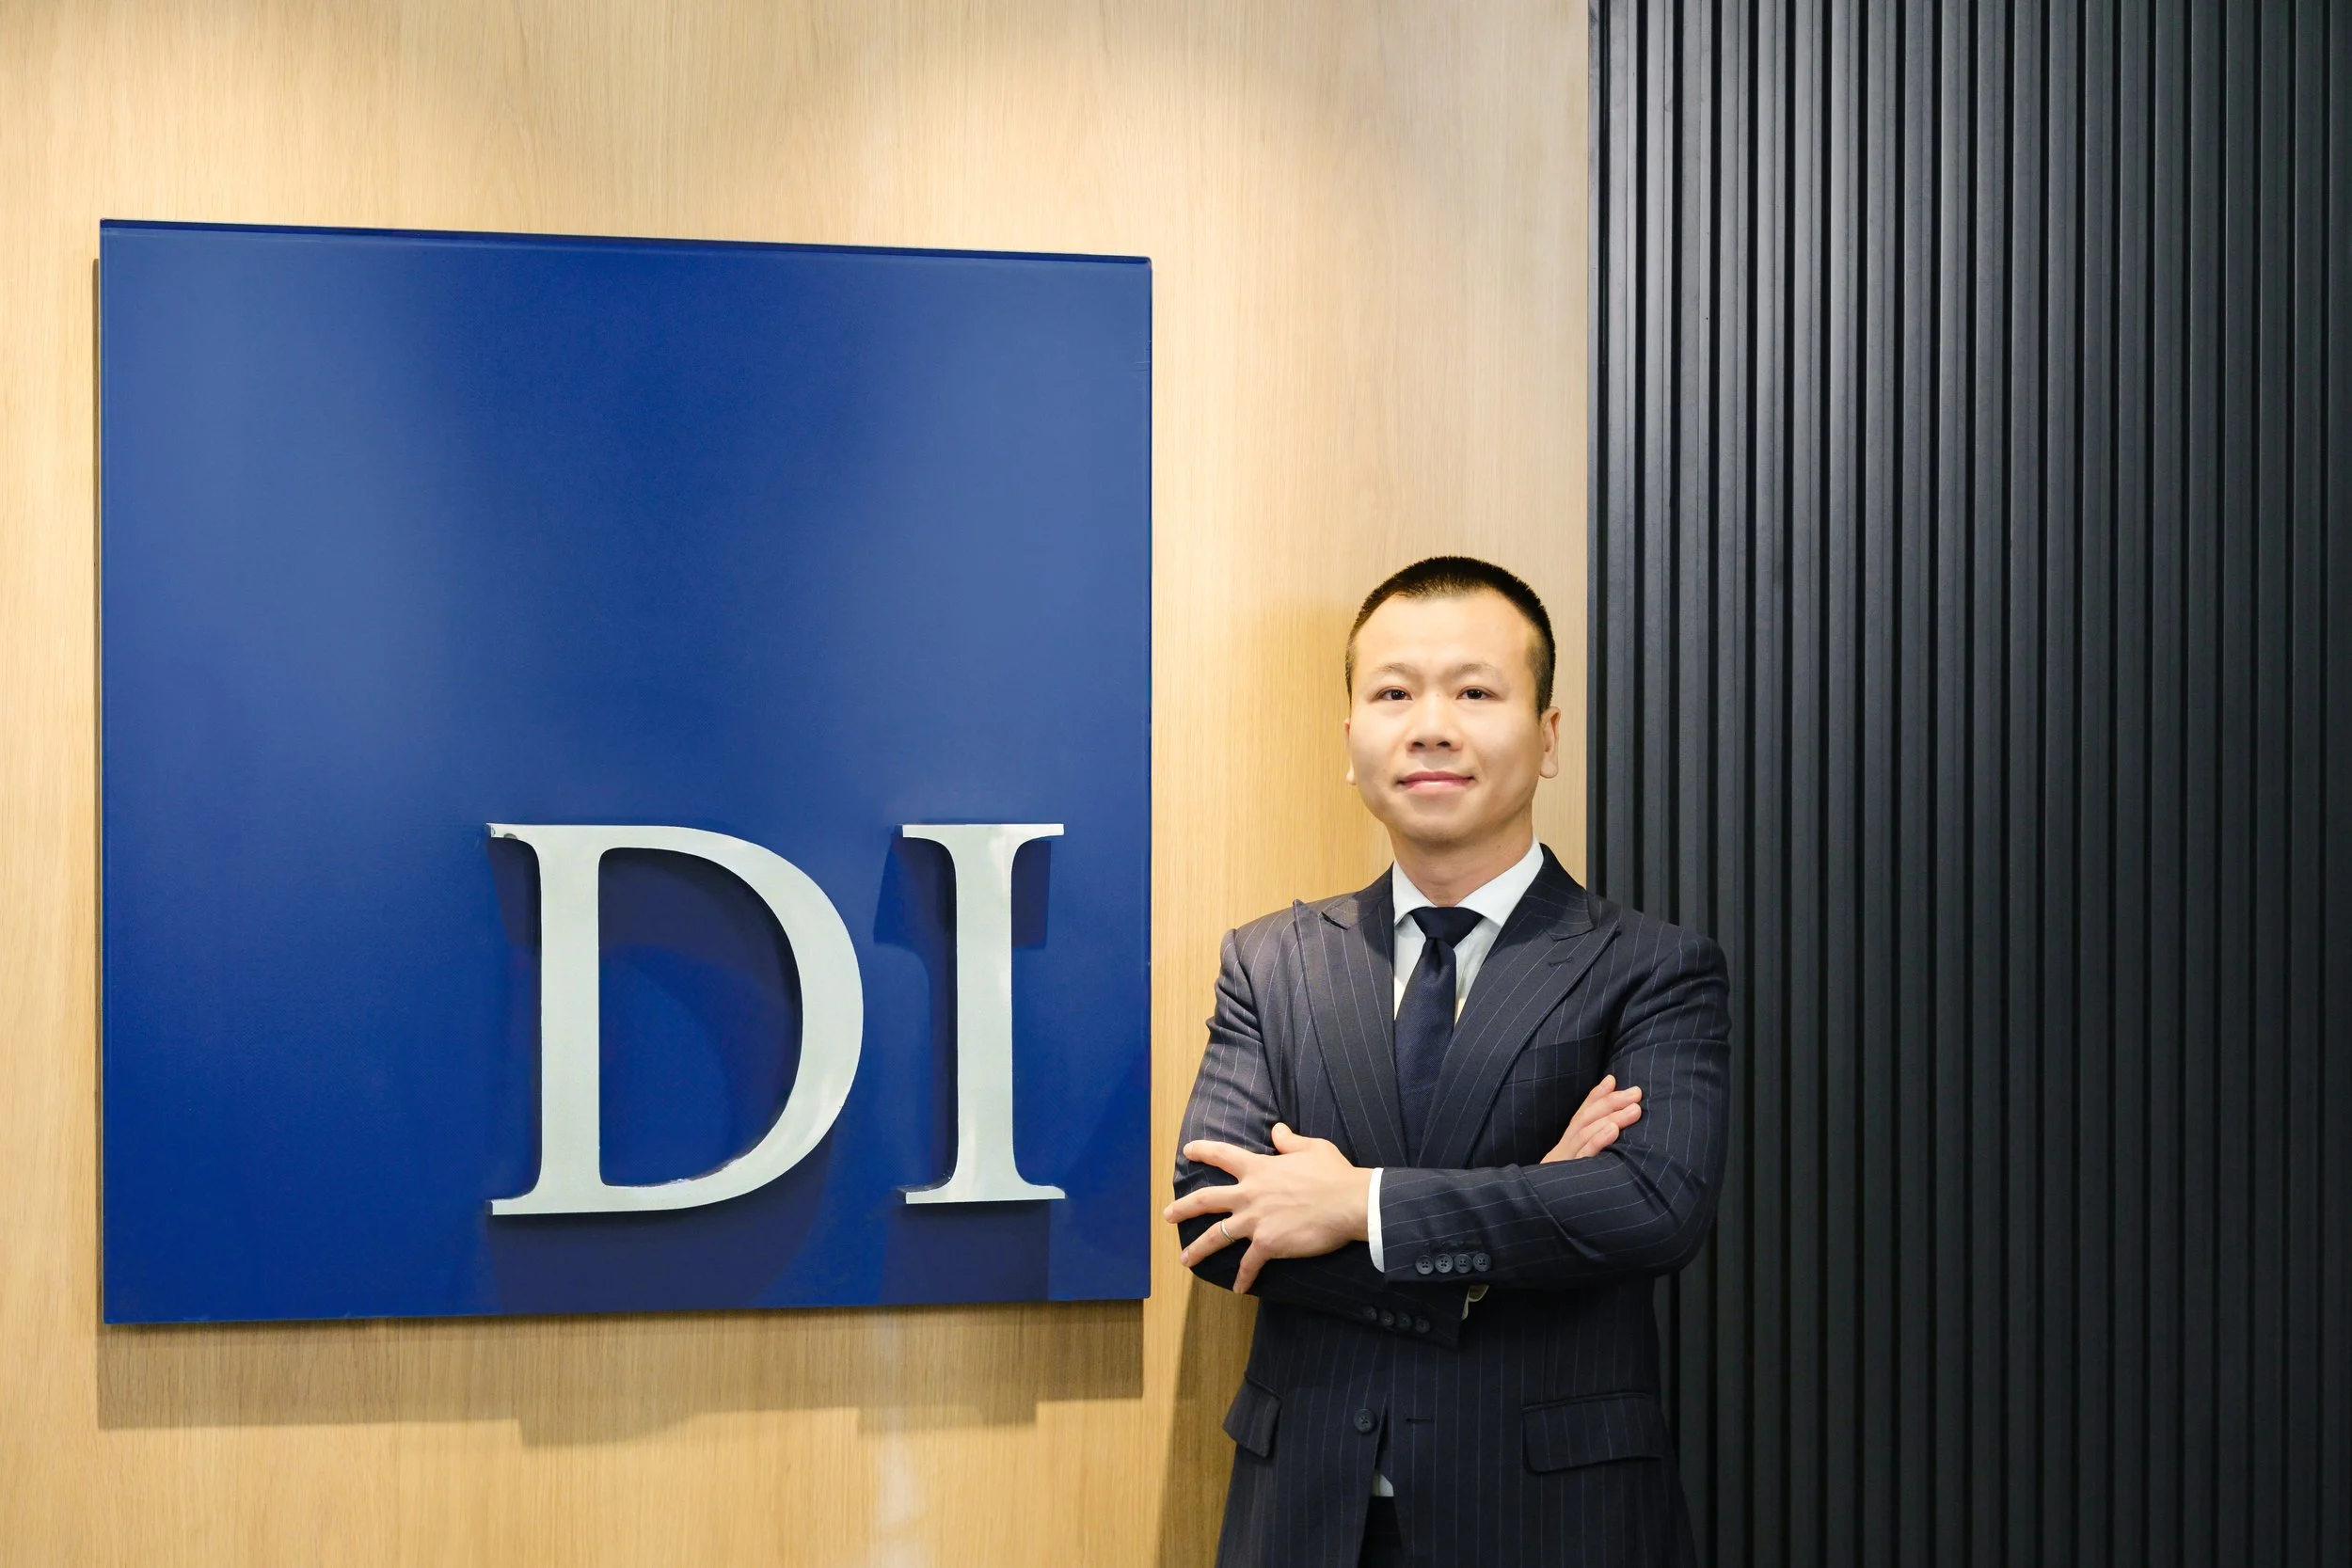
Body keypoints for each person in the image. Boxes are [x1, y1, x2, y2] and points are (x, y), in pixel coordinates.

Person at [1164, 556, 1730, 1568]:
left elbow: (1650, 1205)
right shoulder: (1270, 962)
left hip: (1554, 1521)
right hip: (1305, 1517)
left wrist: (1359, 1203)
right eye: (1394, 694)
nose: (1430, 726)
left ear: (1547, 735)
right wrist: (1513, 1223)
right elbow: (1214, 1217)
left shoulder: (1650, 966)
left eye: (1474, 692)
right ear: (1350, 738)